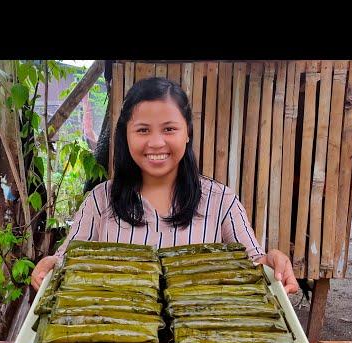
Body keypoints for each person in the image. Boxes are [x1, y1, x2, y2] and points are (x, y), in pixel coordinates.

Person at [31, 77, 299, 295]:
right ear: (126, 135)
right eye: (143, 130)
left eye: (169, 129)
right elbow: (65, 261)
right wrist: (51, 264)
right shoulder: (99, 202)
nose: (156, 143)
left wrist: (273, 260)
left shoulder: (222, 202)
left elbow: (255, 265)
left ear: (187, 133)